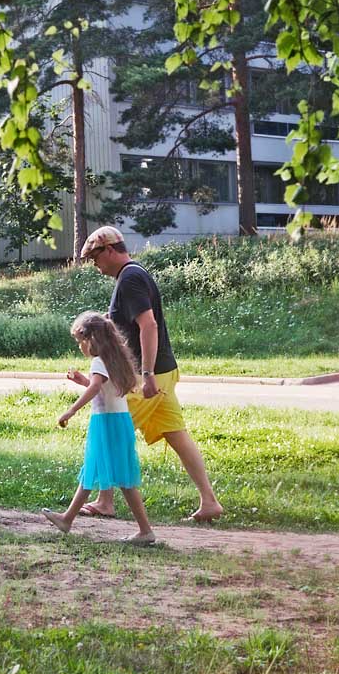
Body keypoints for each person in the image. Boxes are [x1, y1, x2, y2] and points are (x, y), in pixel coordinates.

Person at [75, 225, 225, 524]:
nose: (95, 264)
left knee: (110, 429)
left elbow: (148, 325)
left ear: (109, 250)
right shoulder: (133, 275)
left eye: (96, 257)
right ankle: (209, 501)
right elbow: (133, 324)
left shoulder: (129, 278)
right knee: (177, 435)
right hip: (163, 371)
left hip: (147, 376)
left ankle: (105, 501)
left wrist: (146, 374)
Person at [42, 311, 157, 546]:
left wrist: (71, 410)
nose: (80, 347)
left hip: (107, 423)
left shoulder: (98, 361)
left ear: (91, 339)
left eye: (80, 342)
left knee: (119, 477)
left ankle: (145, 531)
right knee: (96, 470)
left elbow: (96, 388)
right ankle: (67, 519)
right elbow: (102, 387)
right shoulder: (112, 359)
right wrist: (83, 382)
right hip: (117, 420)